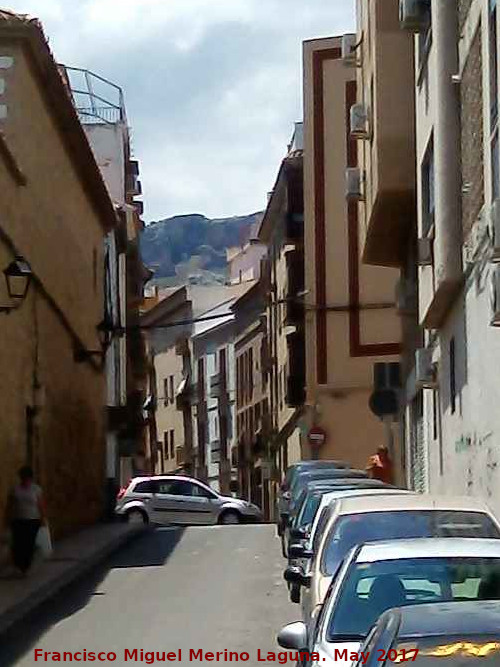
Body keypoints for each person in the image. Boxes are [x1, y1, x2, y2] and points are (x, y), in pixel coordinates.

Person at [5, 466, 46, 576]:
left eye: (27, 478)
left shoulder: (36, 489)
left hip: (32, 520)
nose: (26, 480)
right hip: (18, 520)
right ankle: (19, 566)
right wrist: (6, 520)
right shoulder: (14, 489)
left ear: (31, 478)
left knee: (29, 544)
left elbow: (40, 505)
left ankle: (25, 567)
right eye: (23, 477)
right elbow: (9, 506)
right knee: (18, 544)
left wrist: (43, 519)